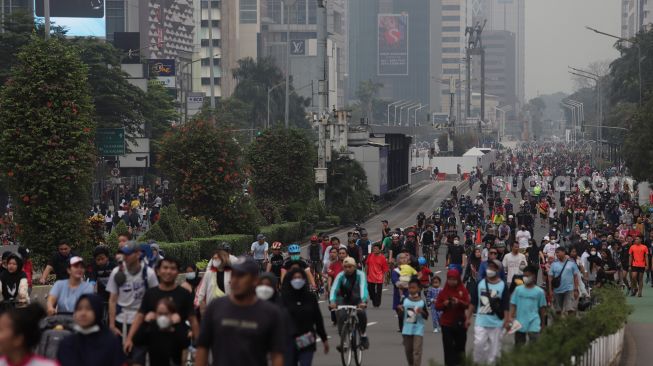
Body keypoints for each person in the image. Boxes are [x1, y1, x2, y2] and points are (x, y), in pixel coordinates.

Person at [195, 257, 285, 366]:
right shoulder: (215, 307)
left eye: (241, 275)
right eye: (233, 275)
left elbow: (277, 355)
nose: (235, 280)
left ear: (255, 280)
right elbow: (202, 347)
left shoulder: (271, 313)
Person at [124, 257, 199, 356]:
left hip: (178, 346)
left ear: (177, 272)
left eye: (172, 268)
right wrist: (129, 338)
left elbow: (193, 320)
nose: (168, 271)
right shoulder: (150, 294)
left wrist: (200, 344)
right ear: (158, 271)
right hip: (154, 343)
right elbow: (139, 316)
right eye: (165, 267)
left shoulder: (184, 294)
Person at [106, 240, 159, 365]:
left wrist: (152, 314)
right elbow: (112, 300)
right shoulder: (116, 272)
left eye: (129, 254)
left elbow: (156, 296)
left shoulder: (148, 273)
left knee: (138, 359)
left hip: (141, 321)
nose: (126, 257)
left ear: (138, 254)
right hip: (121, 320)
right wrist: (112, 325)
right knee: (119, 359)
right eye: (124, 254)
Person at [56, 294, 126, 366]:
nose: (83, 313)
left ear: (97, 311)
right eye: (79, 309)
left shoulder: (111, 343)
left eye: (89, 309)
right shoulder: (67, 343)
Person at [281, 268, 329, 366]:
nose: (297, 280)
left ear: (304, 279)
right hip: (289, 340)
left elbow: (318, 319)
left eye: (299, 277)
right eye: (294, 278)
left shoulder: (310, 297)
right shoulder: (284, 298)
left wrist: (324, 339)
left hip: (307, 338)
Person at [472, 259, 509, 365]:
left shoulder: (502, 285)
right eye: (489, 267)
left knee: (494, 353)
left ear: (498, 270)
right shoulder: (480, 283)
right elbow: (473, 302)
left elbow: (505, 305)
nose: (490, 270)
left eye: (493, 268)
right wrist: (467, 317)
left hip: (496, 323)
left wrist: (507, 320)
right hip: (481, 322)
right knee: (479, 345)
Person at [133, 297, 190, 366]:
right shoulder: (152, 330)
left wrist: (178, 325)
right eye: (160, 314)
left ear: (172, 314)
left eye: (166, 314)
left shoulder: (176, 330)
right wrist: (145, 323)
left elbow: (185, 343)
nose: (163, 317)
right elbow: (136, 341)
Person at [329, 257, 370, 350]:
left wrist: (363, 301)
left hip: (358, 298)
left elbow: (363, 287)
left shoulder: (360, 274)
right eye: (345, 267)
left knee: (361, 313)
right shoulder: (340, 275)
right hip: (343, 299)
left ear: (355, 266)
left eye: (350, 267)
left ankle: (363, 335)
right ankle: (343, 342)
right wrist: (332, 301)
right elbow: (334, 289)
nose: (347, 269)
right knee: (340, 316)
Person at [435, 269, 471, 366]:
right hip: (446, 324)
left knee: (460, 347)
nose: (452, 281)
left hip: (460, 323)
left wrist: (459, 302)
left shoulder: (463, 290)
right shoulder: (443, 292)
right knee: (448, 348)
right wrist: (445, 304)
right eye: (449, 279)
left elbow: (468, 304)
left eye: (454, 279)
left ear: (458, 279)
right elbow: (437, 306)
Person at [508, 265, 547, 347]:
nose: (525, 278)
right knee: (519, 346)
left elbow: (542, 309)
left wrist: (543, 324)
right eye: (524, 275)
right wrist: (510, 317)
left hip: (534, 322)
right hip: (519, 322)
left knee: (534, 346)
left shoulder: (539, 292)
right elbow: (513, 304)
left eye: (528, 276)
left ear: (534, 276)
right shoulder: (518, 290)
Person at [397, 278, 429, 366]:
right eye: (410, 288)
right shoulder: (405, 301)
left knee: (417, 351)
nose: (411, 290)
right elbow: (400, 316)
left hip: (418, 330)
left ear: (419, 289)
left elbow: (426, 316)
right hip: (407, 330)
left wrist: (421, 311)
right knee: (408, 351)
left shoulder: (421, 302)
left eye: (414, 288)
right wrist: (400, 310)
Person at [195, 243, 234, 312]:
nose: (215, 260)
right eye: (214, 258)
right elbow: (201, 292)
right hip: (212, 308)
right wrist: (200, 305)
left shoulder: (233, 268)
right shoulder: (209, 273)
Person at [548, 247, 580, 315]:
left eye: (558, 252)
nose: (557, 254)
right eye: (556, 253)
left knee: (570, 309)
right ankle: (559, 324)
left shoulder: (572, 263)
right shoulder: (554, 264)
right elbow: (550, 277)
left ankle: (570, 324)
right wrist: (550, 290)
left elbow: (575, 277)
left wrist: (576, 289)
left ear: (564, 252)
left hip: (569, 289)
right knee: (558, 310)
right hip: (557, 290)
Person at [365, 243, 389, 307]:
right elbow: (367, 264)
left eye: (376, 248)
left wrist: (386, 279)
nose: (374, 250)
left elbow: (385, 269)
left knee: (378, 292)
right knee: (370, 290)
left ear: (379, 249)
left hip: (379, 277)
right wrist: (365, 274)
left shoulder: (382, 258)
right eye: (374, 248)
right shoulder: (370, 255)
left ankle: (377, 303)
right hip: (370, 277)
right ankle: (373, 298)